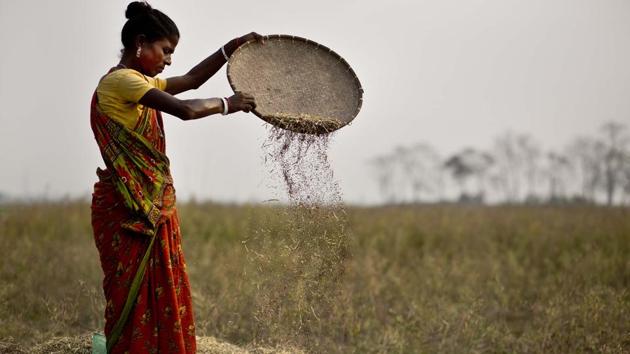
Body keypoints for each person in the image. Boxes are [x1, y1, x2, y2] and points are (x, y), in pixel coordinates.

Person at [90, 2, 263, 353]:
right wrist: (228, 104)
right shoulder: (122, 82)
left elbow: (192, 80)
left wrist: (230, 48)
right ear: (141, 42)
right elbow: (185, 109)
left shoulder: (138, 81)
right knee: (131, 294)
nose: (169, 60)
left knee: (160, 289)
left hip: (147, 205)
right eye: (166, 51)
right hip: (130, 210)